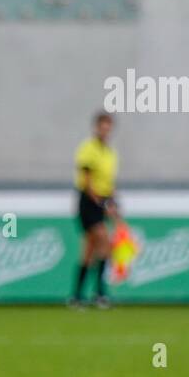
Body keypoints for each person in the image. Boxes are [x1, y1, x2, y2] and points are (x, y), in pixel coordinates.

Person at [71, 110, 119, 309]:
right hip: (89, 202)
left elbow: (109, 183)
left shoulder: (110, 153)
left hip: (103, 201)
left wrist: (113, 203)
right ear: (96, 127)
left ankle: (77, 296)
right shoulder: (88, 148)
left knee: (89, 251)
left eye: (108, 126)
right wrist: (102, 204)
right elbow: (87, 181)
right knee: (104, 243)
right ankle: (100, 292)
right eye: (102, 125)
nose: (105, 129)